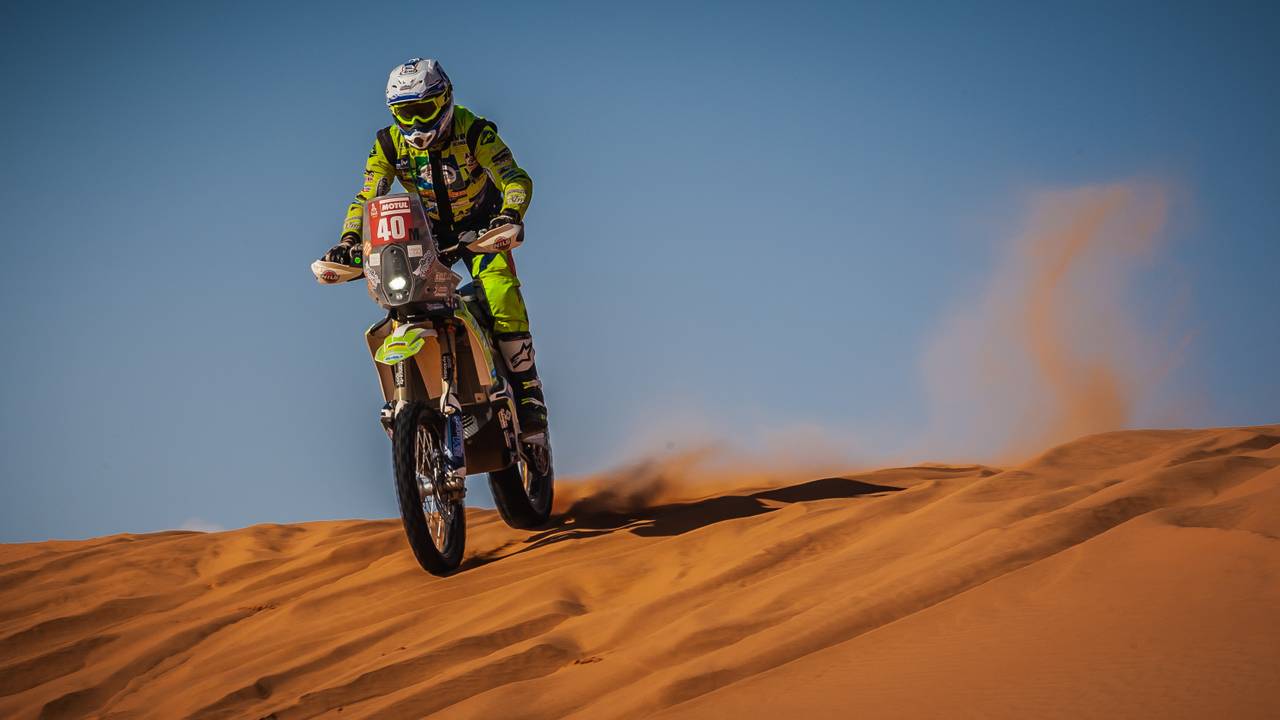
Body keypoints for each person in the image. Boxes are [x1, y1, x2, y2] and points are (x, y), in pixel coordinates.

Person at [324, 58, 547, 436]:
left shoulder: (473, 130)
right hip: (428, 237)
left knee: (499, 291)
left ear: (444, 101)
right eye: (404, 114)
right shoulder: (387, 145)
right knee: (404, 300)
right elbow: (366, 197)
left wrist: (509, 213)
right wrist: (349, 241)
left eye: (423, 110)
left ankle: (528, 394)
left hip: (483, 227)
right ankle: (411, 400)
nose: (414, 124)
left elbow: (514, 177)